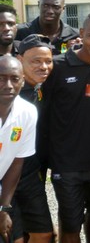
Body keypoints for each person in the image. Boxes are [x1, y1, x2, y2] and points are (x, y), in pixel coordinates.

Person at [40, 11, 90, 243]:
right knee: (71, 225)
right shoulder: (58, 66)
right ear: (82, 34)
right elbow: (42, 113)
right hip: (67, 164)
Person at [12, 34, 55, 243]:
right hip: (6, 175)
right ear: (20, 60)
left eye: (48, 61)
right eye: (36, 61)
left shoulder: (42, 87)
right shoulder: (8, 92)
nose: (44, 66)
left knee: (45, 234)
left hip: (31, 174)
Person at [0, 56, 37, 242]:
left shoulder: (28, 112)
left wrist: (4, 208)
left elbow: (17, 161)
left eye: (14, 78)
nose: (8, 85)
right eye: (1, 78)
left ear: (23, 81)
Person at [15, 0, 79, 55]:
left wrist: (71, 54)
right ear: (39, 5)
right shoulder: (20, 32)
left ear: (63, 8)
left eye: (56, 7)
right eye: (45, 5)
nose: (50, 11)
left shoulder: (75, 36)